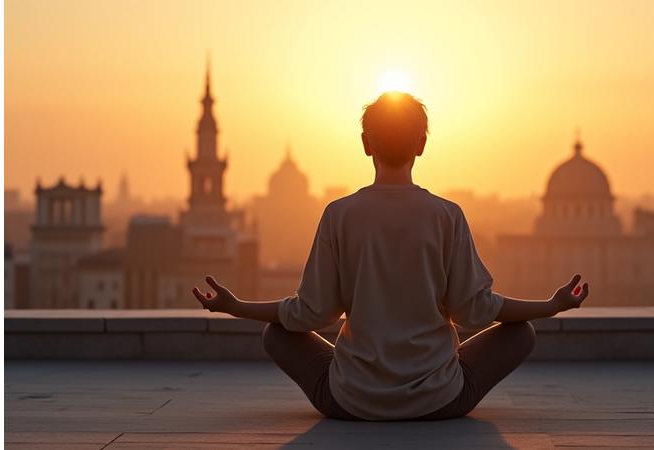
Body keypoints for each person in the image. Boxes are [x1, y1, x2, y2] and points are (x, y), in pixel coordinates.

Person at [193, 92, 589, 421]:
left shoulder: (339, 215)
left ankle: (363, 382)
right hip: (440, 401)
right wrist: (551, 305)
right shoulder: (446, 215)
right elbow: (476, 310)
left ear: (366, 144)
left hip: (350, 402)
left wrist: (237, 306)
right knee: (522, 331)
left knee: (275, 331)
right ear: (422, 144)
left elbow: (310, 314)